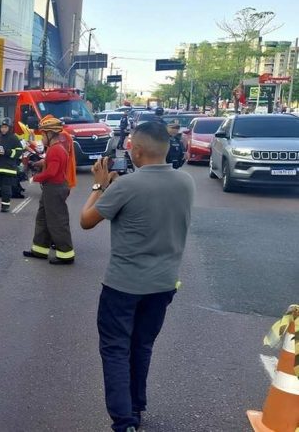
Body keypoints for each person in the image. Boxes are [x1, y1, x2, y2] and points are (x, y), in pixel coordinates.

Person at [79, 121, 194, 432]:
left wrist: (99, 186)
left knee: (116, 348)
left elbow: (86, 221)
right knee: (142, 346)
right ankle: (136, 407)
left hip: (123, 285)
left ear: (136, 150)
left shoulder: (126, 186)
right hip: (163, 283)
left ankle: (124, 421)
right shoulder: (185, 183)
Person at [22, 116, 75, 265]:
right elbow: (50, 164)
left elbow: (51, 172)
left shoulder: (56, 150)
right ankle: (40, 249)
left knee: (57, 221)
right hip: (51, 188)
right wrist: (40, 163)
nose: (41, 137)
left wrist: (35, 178)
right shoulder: (55, 149)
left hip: (55, 188)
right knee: (43, 219)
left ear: (50, 134)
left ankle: (66, 254)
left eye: (43, 134)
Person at [0, 118, 24, 212]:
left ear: (10, 128)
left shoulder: (14, 138)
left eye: (5, 127)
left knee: (6, 190)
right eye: (2, 127)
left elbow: (19, 151)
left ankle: (5, 206)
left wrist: (7, 152)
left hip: (8, 169)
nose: (3, 129)